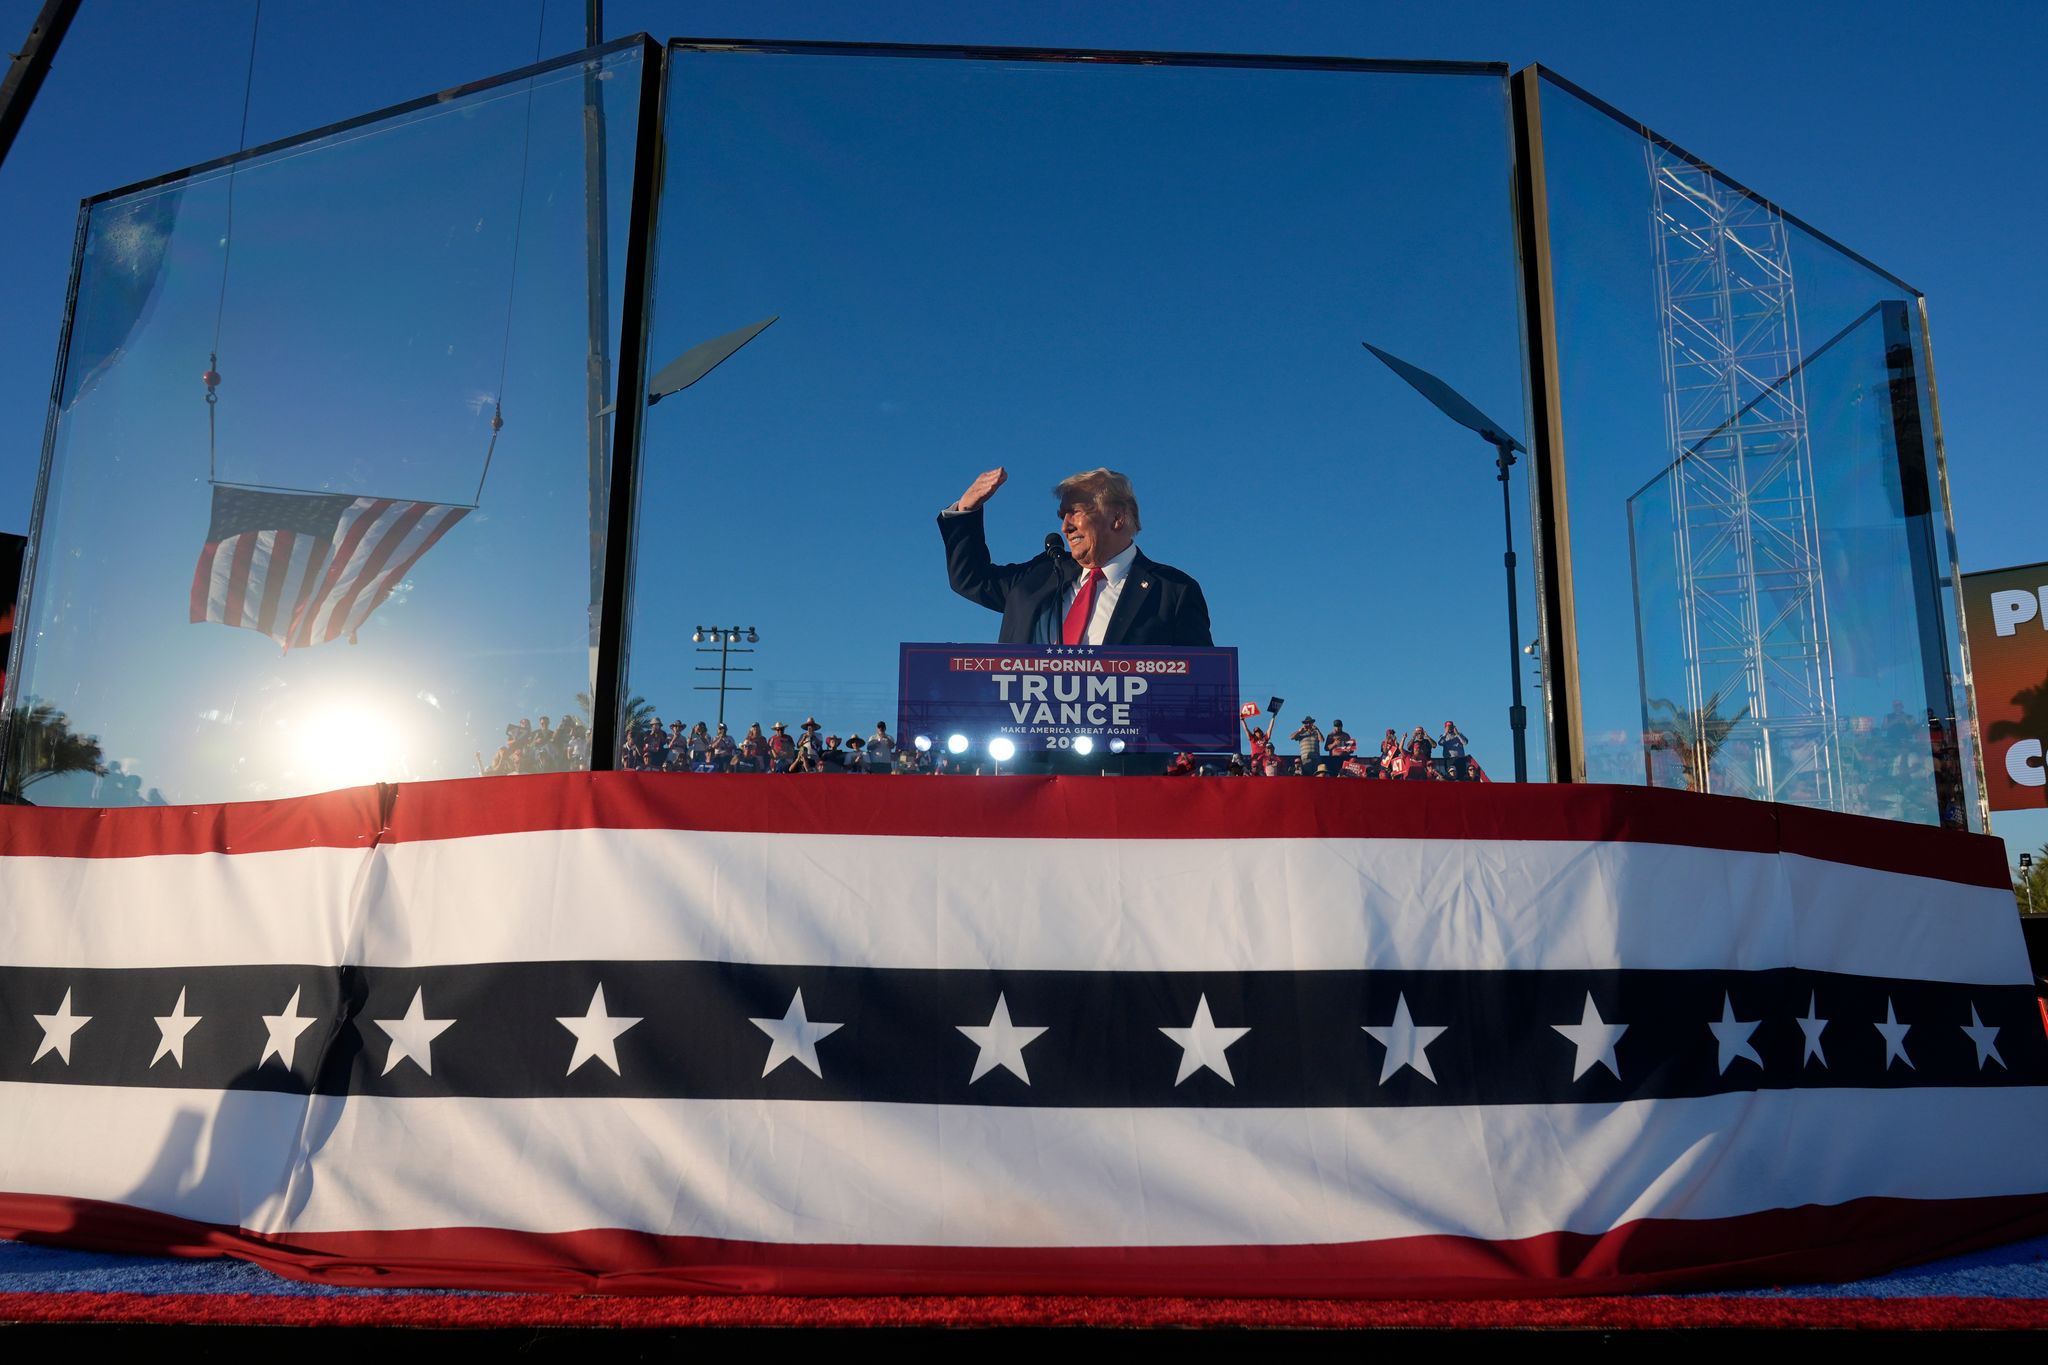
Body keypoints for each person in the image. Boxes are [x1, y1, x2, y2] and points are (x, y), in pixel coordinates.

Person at [938, 466, 1212, 646]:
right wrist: (966, 510)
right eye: (1062, 516)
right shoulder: (1042, 575)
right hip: (1026, 728)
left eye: (1076, 512)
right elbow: (971, 580)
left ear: (1116, 518)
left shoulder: (1173, 591)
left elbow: (1199, 682)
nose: (1065, 526)